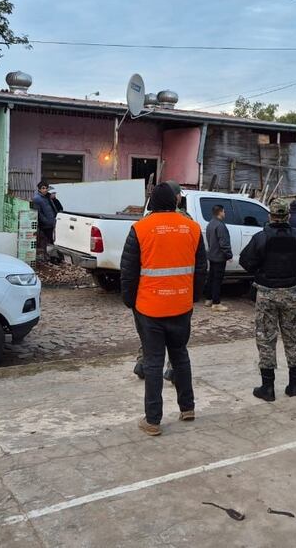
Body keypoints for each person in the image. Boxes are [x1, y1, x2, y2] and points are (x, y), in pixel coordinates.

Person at [121, 182, 207, 436]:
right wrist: (193, 297)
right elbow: (201, 269)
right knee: (180, 355)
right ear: (175, 202)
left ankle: (153, 420)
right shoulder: (192, 228)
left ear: (151, 203)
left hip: (150, 308)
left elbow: (128, 273)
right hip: (181, 305)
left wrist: (130, 302)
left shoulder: (140, 229)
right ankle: (187, 407)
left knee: (153, 362)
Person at [240, 198, 296, 401]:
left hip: (267, 292)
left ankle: (268, 388)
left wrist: (260, 270)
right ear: (288, 216)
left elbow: (245, 261)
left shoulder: (261, 237)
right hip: (291, 292)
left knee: (266, 338)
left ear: (270, 216)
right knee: (293, 339)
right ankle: (294, 385)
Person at [133, 180, 189, 382]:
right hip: (178, 292)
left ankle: (142, 362)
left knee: (149, 334)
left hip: (149, 291)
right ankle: (173, 369)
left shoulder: (146, 221)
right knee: (176, 340)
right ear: (176, 197)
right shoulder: (184, 220)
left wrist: (131, 296)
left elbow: (132, 263)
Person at [204, 204, 233, 312]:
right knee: (217, 280)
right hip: (219, 257)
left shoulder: (210, 224)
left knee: (211, 278)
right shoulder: (220, 225)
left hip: (212, 255)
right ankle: (216, 303)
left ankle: (209, 299)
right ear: (220, 212)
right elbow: (223, 242)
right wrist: (228, 255)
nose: (225, 213)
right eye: (224, 212)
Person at [33, 181, 59, 259]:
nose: (45, 190)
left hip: (53, 222)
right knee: (48, 241)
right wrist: (46, 221)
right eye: (43, 188)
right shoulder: (37, 199)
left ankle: (50, 256)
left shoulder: (48, 197)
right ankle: (48, 256)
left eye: (46, 188)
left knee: (50, 240)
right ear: (39, 189)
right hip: (45, 224)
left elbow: (54, 208)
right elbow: (38, 213)